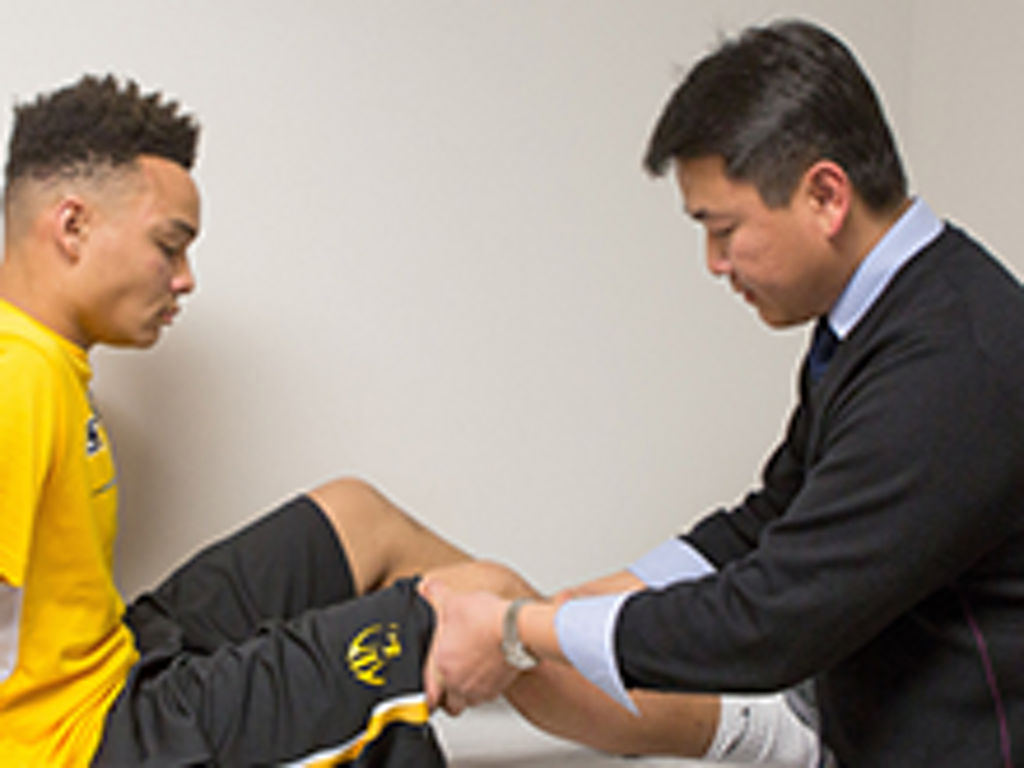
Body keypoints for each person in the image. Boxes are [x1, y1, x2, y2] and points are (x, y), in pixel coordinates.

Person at [0, 74, 818, 766]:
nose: (184, 280)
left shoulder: (43, 358)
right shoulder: (17, 380)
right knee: (464, 616)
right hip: (88, 741)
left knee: (357, 518)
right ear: (71, 226)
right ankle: (756, 735)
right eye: (168, 246)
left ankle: (590, 655)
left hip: (114, 664)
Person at [419, 18, 1024, 768]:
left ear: (826, 195)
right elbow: (772, 519)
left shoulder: (951, 363)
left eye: (723, 228)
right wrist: (583, 603)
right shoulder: (877, 319)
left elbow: (769, 623)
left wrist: (518, 631)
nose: (713, 262)